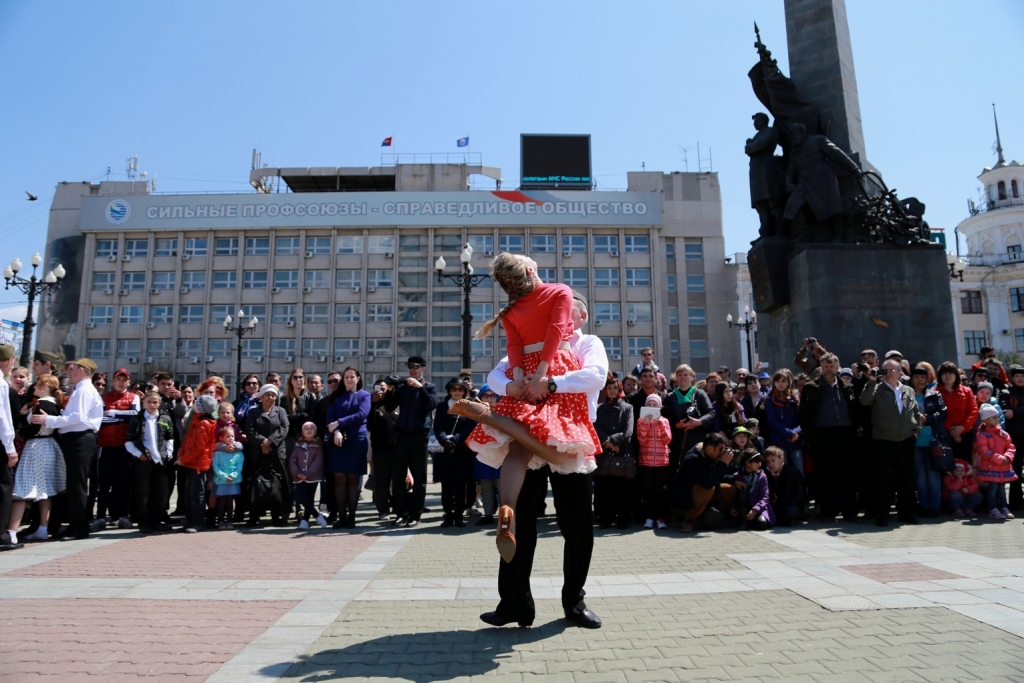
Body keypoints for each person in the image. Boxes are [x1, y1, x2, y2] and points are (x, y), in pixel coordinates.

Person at [476, 287, 607, 629]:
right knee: (519, 522)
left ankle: (574, 603)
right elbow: (496, 374)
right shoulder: (535, 344)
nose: (555, 318)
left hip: (569, 442)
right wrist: (513, 388)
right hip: (529, 437)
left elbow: (596, 376)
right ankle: (514, 604)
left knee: (577, 525)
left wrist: (548, 384)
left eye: (565, 312)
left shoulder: (587, 343)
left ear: (580, 316)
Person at [458, 256, 600, 565]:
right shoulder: (560, 291)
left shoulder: (510, 310)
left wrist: (521, 377)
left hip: (522, 372)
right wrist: (541, 376)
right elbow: (555, 331)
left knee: (519, 449)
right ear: (529, 271)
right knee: (564, 448)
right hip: (554, 366)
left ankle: (507, 507)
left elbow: (513, 346)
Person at [30, 357, 103, 541]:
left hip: (80, 438)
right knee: (73, 484)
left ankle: (79, 528)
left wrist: (50, 420)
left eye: (73, 369)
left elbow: (77, 417)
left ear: (81, 370)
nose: (69, 372)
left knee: (76, 484)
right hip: (77, 438)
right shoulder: (82, 390)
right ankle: (75, 525)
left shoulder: (84, 390)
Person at [859, 359, 922, 527]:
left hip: (905, 440)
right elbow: (864, 401)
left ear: (900, 373)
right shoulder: (877, 388)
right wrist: (871, 381)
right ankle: (882, 515)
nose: (887, 373)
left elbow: (916, 412)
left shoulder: (908, 390)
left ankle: (906, 513)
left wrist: (916, 432)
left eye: (891, 370)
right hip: (883, 439)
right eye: (884, 370)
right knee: (882, 480)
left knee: (906, 479)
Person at [6, 375, 66, 545]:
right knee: (44, 488)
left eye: (37, 385)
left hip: (36, 446)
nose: (33, 388)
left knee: (22, 488)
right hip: (49, 446)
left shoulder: (42, 404)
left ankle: (11, 531)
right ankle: (42, 528)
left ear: (44, 385)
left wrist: (20, 433)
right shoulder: (54, 403)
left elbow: (34, 428)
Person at [799, 353, 859, 521]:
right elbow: (803, 415)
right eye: (825, 366)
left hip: (845, 434)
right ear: (821, 367)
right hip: (822, 435)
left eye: (832, 366)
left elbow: (856, 411)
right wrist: (811, 437)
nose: (829, 369)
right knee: (825, 476)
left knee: (848, 476)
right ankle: (829, 512)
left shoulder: (848, 386)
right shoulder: (811, 387)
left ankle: (850, 512)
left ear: (837, 367)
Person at [384, 356, 438, 529]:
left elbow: (431, 405)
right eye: (409, 367)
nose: (412, 370)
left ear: (423, 368)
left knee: (419, 477)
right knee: (398, 477)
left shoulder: (429, 387)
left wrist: (420, 387)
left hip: (419, 437)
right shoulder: (403, 388)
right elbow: (389, 407)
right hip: (402, 436)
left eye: (415, 367)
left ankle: (415, 514)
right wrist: (391, 390)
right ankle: (401, 513)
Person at [325, 367, 370, 529]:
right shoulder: (336, 397)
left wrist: (339, 423)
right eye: (346, 377)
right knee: (339, 479)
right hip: (338, 441)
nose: (349, 379)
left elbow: (361, 415)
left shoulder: (365, 395)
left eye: (352, 377)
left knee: (353, 479)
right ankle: (341, 517)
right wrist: (336, 430)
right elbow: (330, 418)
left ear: (358, 378)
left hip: (357, 440)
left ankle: (352, 517)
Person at [95, 368, 139, 531]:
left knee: (124, 484)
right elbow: (99, 418)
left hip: (125, 447)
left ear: (128, 382)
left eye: (124, 380)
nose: (121, 383)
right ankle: (100, 517)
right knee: (104, 484)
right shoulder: (103, 397)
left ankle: (123, 516)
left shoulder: (133, 397)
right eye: (118, 379)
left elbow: (135, 414)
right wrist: (122, 417)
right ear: (113, 381)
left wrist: (112, 412)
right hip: (105, 445)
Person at [125, 391, 175, 533]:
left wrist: (168, 453)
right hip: (144, 461)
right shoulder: (137, 419)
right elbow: (128, 441)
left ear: (159, 403)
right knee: (143, 493)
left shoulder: (165, 418)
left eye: (155, 402)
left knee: (161, 493)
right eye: (149, 402)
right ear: (144, 403)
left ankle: (157, 521)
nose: (152, 405)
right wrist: (140, 455)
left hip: (161, 460)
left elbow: (170, 437)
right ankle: (144, 523)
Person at [244, 384, 291, 527]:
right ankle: (254, 515)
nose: (270, 398)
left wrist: (270, 441)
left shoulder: (281, 411)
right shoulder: (253, 412)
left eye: (273, 395)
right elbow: (249, 429)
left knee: (278, 484)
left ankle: (277, 515)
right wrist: (262, 443)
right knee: (255, 484)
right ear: (261, 397)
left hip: (276, 453)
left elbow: (284, 427)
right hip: (258, 454)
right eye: (267, 395)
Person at [670, 433, 737, 533]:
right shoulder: (692, 459)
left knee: (730, 490)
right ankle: (689, 519)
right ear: (710, 449)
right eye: (721, 449)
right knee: (708, 488)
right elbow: (707, 482)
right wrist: (723, 463)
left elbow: (716, 475)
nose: (723, 452)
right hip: (683, 499)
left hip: (699, 495)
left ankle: (705, 513)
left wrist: (735, 479)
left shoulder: (709, 453)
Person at [433, 378, 477, 528]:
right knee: (446, 485)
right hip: (444, 450)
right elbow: (437, 426)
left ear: (465, 391)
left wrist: (456, 440)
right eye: (454, 389)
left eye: (460, 389)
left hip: (462, 450)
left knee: (460, 485)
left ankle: (459, 516)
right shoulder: (442, 406)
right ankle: (448, 515)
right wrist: (444, 440)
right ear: (449, 391)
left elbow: (470, 427)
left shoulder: (469, 406)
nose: (457, 392)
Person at [592, 374, 633, 530]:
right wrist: (608, 443)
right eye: (609, 388)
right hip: (604, 453)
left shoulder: (628, 408)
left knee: (622, 490)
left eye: (615, 388)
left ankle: (623, 520)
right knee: (604, 490)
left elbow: (628, 431)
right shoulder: (599, 409)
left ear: (620, 389)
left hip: (622, 452)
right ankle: (605, 519)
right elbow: (597, 428)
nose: (612, 390)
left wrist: (616, 442)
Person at [176, 394, 218, 533]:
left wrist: (183, 459)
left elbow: (200, 448)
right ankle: (190, 520)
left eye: (197, 402)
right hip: (191, 462)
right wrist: (182, 456)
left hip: (198, 464)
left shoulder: (203, 423)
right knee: (189, 494)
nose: (193, 403)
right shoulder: (196, 420)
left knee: (196, 495)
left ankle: (198, 522)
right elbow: (187, 441)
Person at [911, 366, 948, 518]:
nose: (920, 380)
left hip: (933, 440)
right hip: (914, 441)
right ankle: (924, 506)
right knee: (920, 476)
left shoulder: (934, 394)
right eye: (916, 377)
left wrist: (928, 418)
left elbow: (943, 412)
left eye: (923, 377)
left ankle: (934, 507)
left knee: (934, 475)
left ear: (927, 379)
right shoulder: (906, 394)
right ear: (911, 379)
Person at [663, 364, 714, 473]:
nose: (682, 377)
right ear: (676, 378)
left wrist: (699, 422)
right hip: (676, 442)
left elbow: (711, 413)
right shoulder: (670, 396)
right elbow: (665, 417)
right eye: (679, 375)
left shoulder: (699, 394)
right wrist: (676, 424)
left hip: (696, 440)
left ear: (692, 377)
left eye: (686, 374)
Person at [974, 403, 1017, 520]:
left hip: (1002, 467)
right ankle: (992, 509)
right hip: (991, 467)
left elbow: (1010, 446)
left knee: (1002, 490)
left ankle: (1004, 507)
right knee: (992, 490)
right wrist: (1000, 459)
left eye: (998, 417)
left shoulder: (1003, 433)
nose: (997, 419)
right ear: (986, 420)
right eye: (994, 417)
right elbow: (984, 451)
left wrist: (1008, 456)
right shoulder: (982, 435)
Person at [636, 393, 671, 530]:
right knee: (647, 491)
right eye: (649, 405)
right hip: (646, 461)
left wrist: (660, 424)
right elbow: (641, 440)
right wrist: (645, 424)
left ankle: (660, 518)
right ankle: (649, 518)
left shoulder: (665, 421)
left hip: (662, 461)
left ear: (660, 407)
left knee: (660, 491)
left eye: (654, 405)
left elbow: (668, 440)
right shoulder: (641, 421)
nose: (651, 407)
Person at [936, 361, 978, 466]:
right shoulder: (934, 392)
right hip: (944, 435)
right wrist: (952, 431)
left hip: (965, 433)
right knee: (947, 466)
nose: (948, 376)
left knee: (965, 464)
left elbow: (973, 411)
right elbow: (937, 415)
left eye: (951, 373)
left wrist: (962, 427)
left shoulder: (966, 391)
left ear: (956, 375)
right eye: (944, 373)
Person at [764, 369, 804, 476]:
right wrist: (788, 433)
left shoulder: (795, 399)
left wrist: (795, 433)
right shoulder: (769, 400)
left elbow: (803, 419)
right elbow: (772, 421)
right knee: (782, 472)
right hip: (779, 440)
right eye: (777, 381)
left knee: (799, 471)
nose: (780, 384)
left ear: (789, 382)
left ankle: (802, 492)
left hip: (796, 441)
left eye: (783, 381)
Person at [473, 385, 501, 527]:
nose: (489, 399)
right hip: (483, 455)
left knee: (502, 487)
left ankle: (505, 516)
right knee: (486, 486)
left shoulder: (504, 412)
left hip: (501, 455)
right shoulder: (477, 413)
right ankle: (488, 514)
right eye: (486, 395)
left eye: (492, 395)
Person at [289, 421, 326, 530]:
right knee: (302, 498)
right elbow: (293, 460)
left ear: (315, 431)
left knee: (309, 499)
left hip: (312, 477)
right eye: (306, 429)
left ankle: (304, 521)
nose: (309, 430)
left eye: (311, 428)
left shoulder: (318, 445)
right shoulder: (298, 445)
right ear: (302, 432)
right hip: (299, 477)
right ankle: (317, 516)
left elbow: (318, 461)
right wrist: (297, 473)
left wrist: (308, 473)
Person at [211, 426, 244, 530]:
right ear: (221, 438)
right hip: (221, 482)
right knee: (221, 502)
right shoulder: (217, 453)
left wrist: (233, 476)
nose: (230, 438)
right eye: (228, 436)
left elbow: (239, 467)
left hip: (232, 482)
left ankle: (229, 521)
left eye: (232, 436)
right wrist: (224, 477)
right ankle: (220, 521)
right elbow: (215, 466)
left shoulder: (238, 454)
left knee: (230, 502)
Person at [1002, 364, 1024, 512]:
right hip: (1014, 437)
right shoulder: (1005, 392)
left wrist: (1015, 412)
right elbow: (1005, 412)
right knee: (1015, 470)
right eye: (1017, 376)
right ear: (1012, 377)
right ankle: (1015, 503)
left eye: (1022, 376)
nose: (1020, 378)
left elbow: (1011, 413)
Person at [765, 445, 804, 525]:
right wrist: (774, 479)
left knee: (792, 512)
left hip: (790, 505)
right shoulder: (767, 474)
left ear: (781, 459)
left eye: (773, 460)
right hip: (776, 506)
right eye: (768, 462)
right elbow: (770, 496)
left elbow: (800, 497)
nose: (771, 464)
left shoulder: (793, 473)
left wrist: (780, 500)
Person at [736, 449, 773, 530]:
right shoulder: (738, 476)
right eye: (757, 462)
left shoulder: (762, 476)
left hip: (759, 508)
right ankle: (743, 520)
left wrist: (755, 510)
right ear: (748, 463)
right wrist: (731, 508)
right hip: (742, 509)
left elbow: (765, 496)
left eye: (760, 462)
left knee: (762, 523)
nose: (760, 464)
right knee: (742, 492)